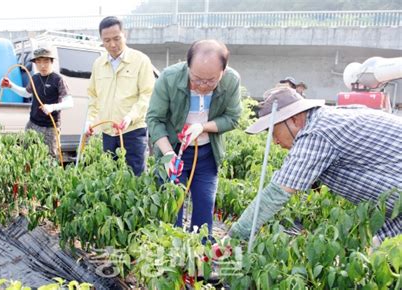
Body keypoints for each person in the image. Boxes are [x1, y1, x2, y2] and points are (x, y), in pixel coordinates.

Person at [229, 86, 401, 243]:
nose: (274, 141)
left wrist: (234, 237)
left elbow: (277, 193)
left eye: (274, 132)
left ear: (295, 120)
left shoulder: (317, 132)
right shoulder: (329, 117)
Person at [146, 39, 242, 234]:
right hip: (173, 151)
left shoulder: (231, 80)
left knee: (205, 206)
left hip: (207, 154)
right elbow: (154, 119)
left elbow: (232, 118)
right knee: (173, 206)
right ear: (187, 66)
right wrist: (168, 156)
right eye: (197, 79)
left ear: (223, 71)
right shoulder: (169, 78)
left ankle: (200, 253)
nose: (203, 86)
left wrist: (202, 127)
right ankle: (170, 255)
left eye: (211, 81)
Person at [85, 16, 155, 176]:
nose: (112, 44)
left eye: (116, 38)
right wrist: (90, 120)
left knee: (135, 176)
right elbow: (93, 96)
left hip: (133, 131)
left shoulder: (141, 60)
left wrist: (130, 117)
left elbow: (147, 94)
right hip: (108, 132)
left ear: (125, 34)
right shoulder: (99, 64)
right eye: (107, 40)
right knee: (111, 176)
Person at [1, 48, 73, 157]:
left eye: (45, 61)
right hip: (33, 124)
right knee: (26, 155)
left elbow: (69, 102)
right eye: (39, 62)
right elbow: (27, 93)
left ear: (51, 62)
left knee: (50, 158)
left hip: (50, 127)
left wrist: (52, 107)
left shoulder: (58, 79)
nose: (42, 66)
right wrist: (11, 86)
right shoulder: (34, 78)